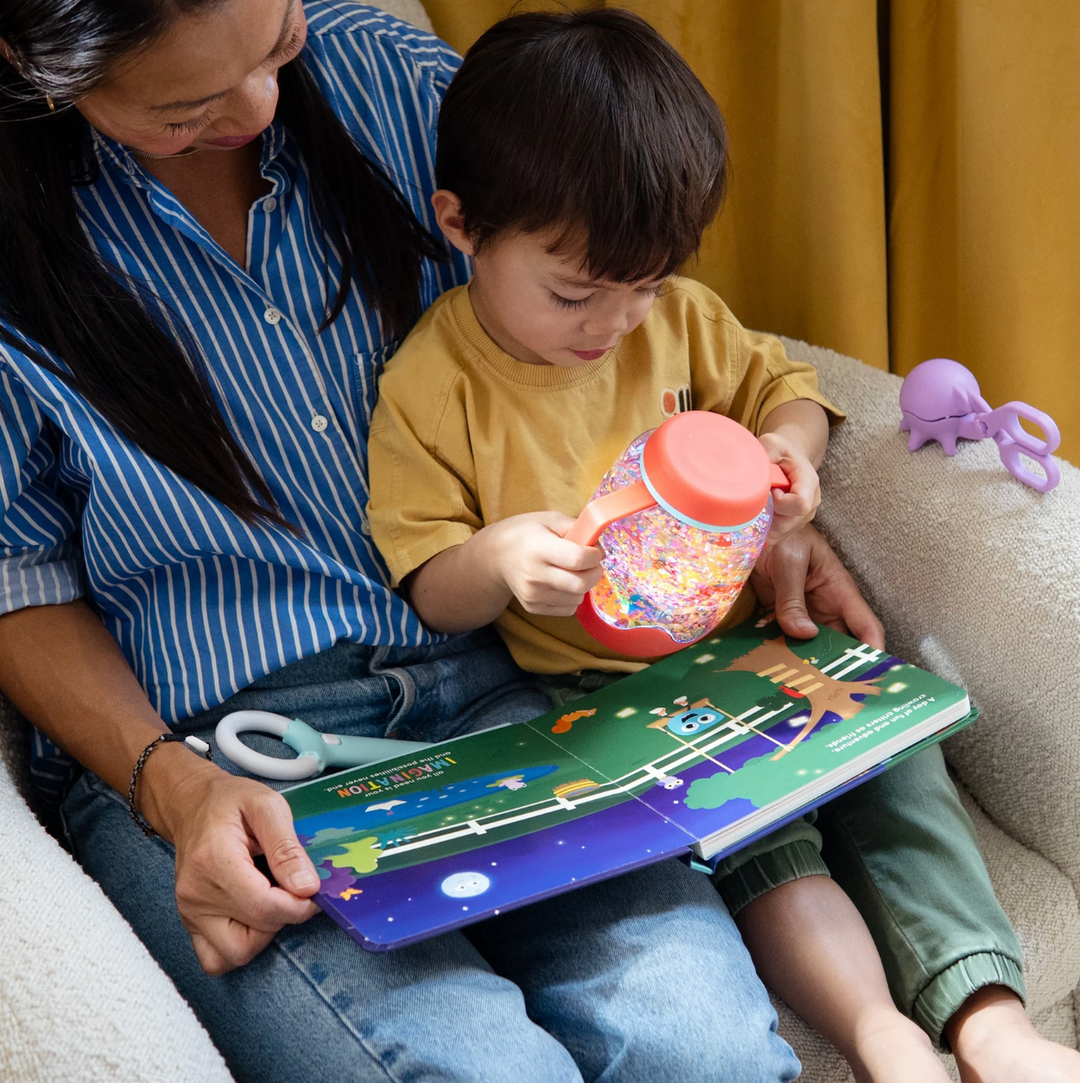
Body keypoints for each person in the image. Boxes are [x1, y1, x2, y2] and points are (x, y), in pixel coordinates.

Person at [0, 2, 810, 1082]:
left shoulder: (398, 81)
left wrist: (752, 497)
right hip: (227, 751)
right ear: (37, 63)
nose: (261, 106)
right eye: (186, 105)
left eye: (279, 39)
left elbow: (617, 322)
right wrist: (174, 789)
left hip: (509, 696)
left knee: (708, 1052)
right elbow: (20, 577)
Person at [365, 10, 1080, 1083]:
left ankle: (992, 1024)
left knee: (900, 773)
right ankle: (884, 1038)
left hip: (770, 647)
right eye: (573, 292)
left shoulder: (682, 321)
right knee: (765, 848)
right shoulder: (431, 386)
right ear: (459, 225)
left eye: (643, 285)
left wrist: (789, 463)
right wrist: (503, 561)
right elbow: (430, 588)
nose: (613, 322)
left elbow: (788, 394)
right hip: (620, 704)